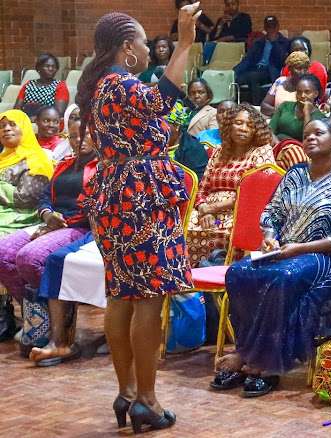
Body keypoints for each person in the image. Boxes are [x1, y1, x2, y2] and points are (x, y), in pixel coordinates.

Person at [74, 7, 200, 432]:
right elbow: (160, 99)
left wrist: (176, 120)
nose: (149, 50)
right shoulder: (121, 83)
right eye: (145, 43)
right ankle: (145, 398)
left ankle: (128, 392)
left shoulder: (103, 86)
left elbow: (161, 120)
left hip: (115, 193)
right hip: (140, 197)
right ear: (127, 48)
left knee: (122, 295)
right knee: (147, 296)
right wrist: (184, 43)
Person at [210, 118, 331, 397]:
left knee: (283, 277)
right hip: (284, 250)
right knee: (238, 273)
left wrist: (299, 248)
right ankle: (246, 352)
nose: (310, 138)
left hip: (330, 258)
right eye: (306, 134)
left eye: (318, 133)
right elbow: (271, 213)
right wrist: (270, 235)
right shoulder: (294, 175)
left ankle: (267, 365)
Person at [0, 117, 97, 365]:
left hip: (78, 226)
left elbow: (91, 207)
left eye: (85, 134)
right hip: (51, 221)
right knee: (3, 252)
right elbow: (45, 197)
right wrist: (46, 214)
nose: (79, 140)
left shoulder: (102, 167)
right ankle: (40, 313)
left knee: (29, 257)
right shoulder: (64, 164)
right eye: (73, 136)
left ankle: (55, 325)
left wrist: (58, 222)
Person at [186, 103, 275, 266]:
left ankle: (221, 271)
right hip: (206, 213)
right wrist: (204, 210)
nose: (243, 128)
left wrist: (214, 208)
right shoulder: (219, 151)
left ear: (257, 130)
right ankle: (188, 279)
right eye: (239, 123)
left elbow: (257, 194)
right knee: (181, 226)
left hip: (238, 213)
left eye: (250, 125)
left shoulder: (261, 151)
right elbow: (202, 189)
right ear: (229, 125)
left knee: (227, 231)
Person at [0, 110, 54, 237]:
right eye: (2, 126)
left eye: (13, 124)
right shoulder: (3, 158)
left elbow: (25, 199)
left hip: (19, 218)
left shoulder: (37, 160)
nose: (6, 129)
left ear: (25, 128)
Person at [233, 15, 289, 105]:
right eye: (268, 27)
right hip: (255, 70)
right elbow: (248, 59)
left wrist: (274, 42)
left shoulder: (284, 42)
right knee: (237, 78)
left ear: (278, 27)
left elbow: (283, 60)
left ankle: (256, 106)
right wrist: (234, 70)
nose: (270, 30)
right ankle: (235, 104)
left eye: (273, 27)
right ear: (265, 28)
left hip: (270, 72)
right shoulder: (258, 42)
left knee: (253, 77)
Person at [270, 74, 325, 142]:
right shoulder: (285, 106)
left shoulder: (320, 118)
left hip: (300, 151)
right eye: (299, 92)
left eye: (307, 92)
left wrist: (306, 113)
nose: (302, 96)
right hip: (277, 146)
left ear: (316, 94)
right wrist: (280, 146)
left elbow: (307, 140)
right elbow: (270, 131)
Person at [14, 54, 69, 119]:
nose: (51, 69)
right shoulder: (29, 84)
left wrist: (37, 118)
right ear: (39, 68)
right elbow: (17, 108)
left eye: (54, 67)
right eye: (47, 66)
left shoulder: (60, 86)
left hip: (47, 121)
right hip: (25, 120)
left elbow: (59, 111)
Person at [165, 102, 209, 181]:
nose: (158, 129)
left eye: (163, 124)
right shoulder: (152, 144)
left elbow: (198, 182)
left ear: (177, 125)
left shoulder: (194, 149)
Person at [261, 51, 310, 117]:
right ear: (290, 69)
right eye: (299, 68)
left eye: (306, 68)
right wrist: (280, 113)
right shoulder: (280, 81)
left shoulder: (309, 86)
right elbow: (264, 106)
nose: (303, 72)